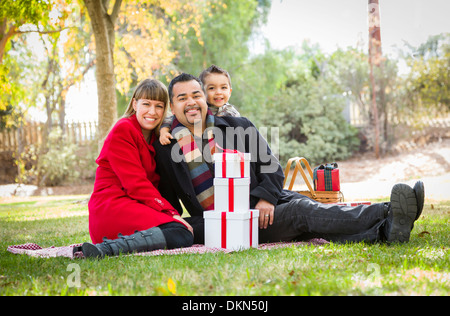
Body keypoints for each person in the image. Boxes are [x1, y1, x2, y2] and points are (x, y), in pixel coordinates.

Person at [153, 73, 425, 245]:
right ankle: (389, 211)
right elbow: (164, 200)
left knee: (306, 208)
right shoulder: (166, 147)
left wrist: (266, 198)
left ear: (204, 98)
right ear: (173, 106)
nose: (191, 101)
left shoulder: (237, 125)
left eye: (196, 94)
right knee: (301, 214)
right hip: (230, 223)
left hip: (264, 200)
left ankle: (387, 230)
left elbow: (271, 164)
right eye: (182, 98)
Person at [82, 79, 194, 259]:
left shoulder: (155, 138)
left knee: (194, 227)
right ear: (135, 104)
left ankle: (110, 246)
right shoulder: (124, 129)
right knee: (181, 232)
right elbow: (136, 184)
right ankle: (106, 249)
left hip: (136, 205)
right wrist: (171, 213)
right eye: (146, 104)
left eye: (159, 106)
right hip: (113, 208)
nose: (152, 111)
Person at [159, 65, 240, 145]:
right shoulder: (199, 110)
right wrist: (164, 131)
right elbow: (169, 120)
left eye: (223, 88)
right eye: (212, 88)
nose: (218, 92)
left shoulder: (232, 113)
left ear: (230, 91)